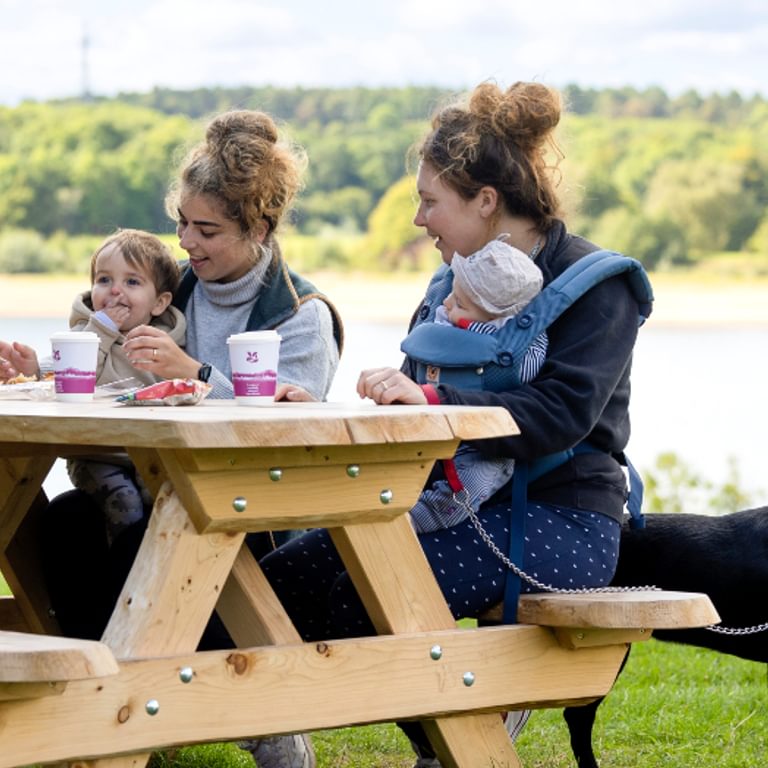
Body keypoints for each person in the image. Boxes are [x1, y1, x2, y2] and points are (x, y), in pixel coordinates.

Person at [256, 80, 650, 767]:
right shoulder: (449, 282)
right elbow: (417, 396)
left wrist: (437, 411)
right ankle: (452, 731)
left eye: (430, 201)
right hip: (445, 506)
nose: (419, 219)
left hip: (562, 523)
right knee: (275, 582)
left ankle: (466, 734)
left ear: (485, 201)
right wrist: (327, 407)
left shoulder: (598, 286)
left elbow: (560, 414)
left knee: (363, 589)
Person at [40, 109, 343, 768]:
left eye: (207, 230)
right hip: (159, 494)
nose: (186, 242)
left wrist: (197, 374)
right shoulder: (176, 288)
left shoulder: (300, 316)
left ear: (259, 228)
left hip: (249, 514)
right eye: (181, 221)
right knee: (62, 525)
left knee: (154, 539)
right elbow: (100, 328)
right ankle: (112, 704)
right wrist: (36, 363)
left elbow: (293, 438)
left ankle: (238, 710)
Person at [0, 228, 185, 544]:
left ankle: (144, 574)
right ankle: (121, 571)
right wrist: (33, 369)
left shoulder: (167, 343)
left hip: (148, 453)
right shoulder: (86, 334)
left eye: (132, 282)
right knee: (124, 502)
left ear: (159, 303)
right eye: (103, 280)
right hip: (96, 455)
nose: (115, 291)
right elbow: (64, 369)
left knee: (167, 498)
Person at [405, 236, 547, 534]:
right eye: (451, 294)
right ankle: (393, 505)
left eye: (459, 303)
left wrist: (480, 333)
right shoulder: (446, 317)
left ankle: (418, 520)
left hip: (486, 448)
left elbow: (529, 368)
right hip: (434, 431)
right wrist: (460, 318)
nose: (446, 304)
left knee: (469, 487)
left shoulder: (521, 342)